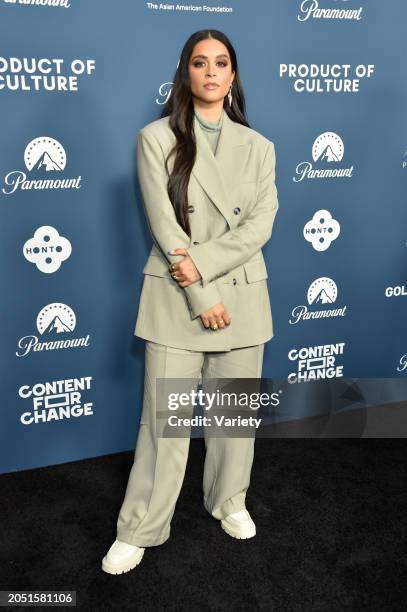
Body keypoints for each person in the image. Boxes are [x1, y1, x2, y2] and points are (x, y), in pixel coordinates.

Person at [102, 29, 279, 575]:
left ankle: (229, 500)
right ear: (185, 72)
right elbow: (165, 223)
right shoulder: (156, 138)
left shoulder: (261, 148)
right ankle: (141, 527)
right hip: (179, 299)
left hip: (243, 298)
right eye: (199, 62)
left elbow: (260, 225)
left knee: (234, 419)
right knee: (165, 425)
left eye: (220, 63)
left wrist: (204, 270)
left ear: (232, 75)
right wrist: (202, 295)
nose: (210, 71)